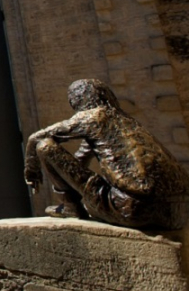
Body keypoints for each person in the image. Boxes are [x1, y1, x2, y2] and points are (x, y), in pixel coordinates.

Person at [25, 79, 189, 229]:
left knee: (45, 146)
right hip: (177, 213)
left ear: (78, 100)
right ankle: (72, 206)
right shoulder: (124, 121)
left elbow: (35, 139)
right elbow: (79, 160)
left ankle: (71, 207)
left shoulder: (93, 116)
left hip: (133, 208)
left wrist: (31, 170)